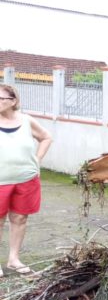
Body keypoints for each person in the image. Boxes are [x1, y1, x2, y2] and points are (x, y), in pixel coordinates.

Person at [0, 84, 53, 277]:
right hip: (0, 181)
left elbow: (46, 137)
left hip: (26, 179)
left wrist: (37, 160)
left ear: (12, 101)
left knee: (20, 218)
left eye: (0, 98)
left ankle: (14, 259)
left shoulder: (27, 121)